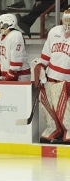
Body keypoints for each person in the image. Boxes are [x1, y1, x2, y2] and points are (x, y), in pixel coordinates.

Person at [34, 9, 70, 142]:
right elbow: (45, 56)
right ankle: (53, 128)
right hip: (49, 78)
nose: (68, 24)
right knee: (47, 105)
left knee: (65, 109)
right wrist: (40, 66)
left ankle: (68, 130)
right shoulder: (55, 31)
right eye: (66, 20)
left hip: (66, 82)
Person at [0, 14, 31, 81]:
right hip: (6, 74)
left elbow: (17, 58)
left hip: (20, 75)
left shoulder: (16, 35)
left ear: (6, 24)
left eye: (0, 23)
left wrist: (12, 72)